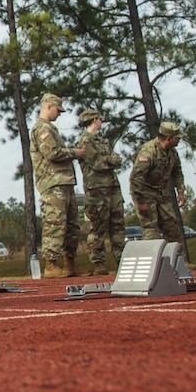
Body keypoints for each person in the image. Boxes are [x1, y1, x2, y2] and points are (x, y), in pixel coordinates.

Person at [30, 93, 84, 278]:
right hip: (53, 184)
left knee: (71, 225)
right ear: (48, 107)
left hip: (64, 182)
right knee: (55, 223)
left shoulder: (50, 128)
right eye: (57, 110)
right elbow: (52, 154)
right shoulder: (41, 129)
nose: (59, 114)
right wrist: (75, 152)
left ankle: (70, 263)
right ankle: (51, 264)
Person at [75, 109, 124, 276]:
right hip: (96, 189)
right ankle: (99, 263)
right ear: (95, 120)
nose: (101, 122)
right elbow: (98, 163)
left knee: (117, 225)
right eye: (99, 119)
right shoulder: (84, 141)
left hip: (112, 186)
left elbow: (107, 160)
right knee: (98, 226)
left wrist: (110, 160)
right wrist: (112, 160)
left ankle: (121, 261)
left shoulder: (102, 141)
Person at [129, 122, 186, 246]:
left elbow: (177, 172)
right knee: (151, 229)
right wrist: (141, 202)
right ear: (168, 138)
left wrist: (180, 191)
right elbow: (136, 179)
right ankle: (152, 262)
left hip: (161, 193)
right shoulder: (148, 152)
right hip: (145, 193)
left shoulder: (172, 152)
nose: (179, 140)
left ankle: (178, 262)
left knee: (172, 227)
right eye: (177, 137)